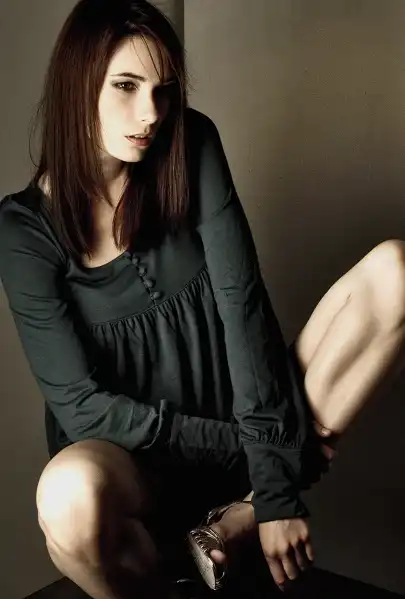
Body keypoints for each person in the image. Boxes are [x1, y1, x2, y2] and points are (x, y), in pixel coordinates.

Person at [1, 1, 405, 597]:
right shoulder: (23, 229)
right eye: (126, 86)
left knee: (396, 271)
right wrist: (259, 445)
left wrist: (270, 484)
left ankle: (237, 518)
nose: (151, 113)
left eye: (163, 90)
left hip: (247, 439)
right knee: (66, 496)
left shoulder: (190, 143)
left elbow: (244, 307)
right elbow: (84, 409)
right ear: (77, 85)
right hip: (136, 472)